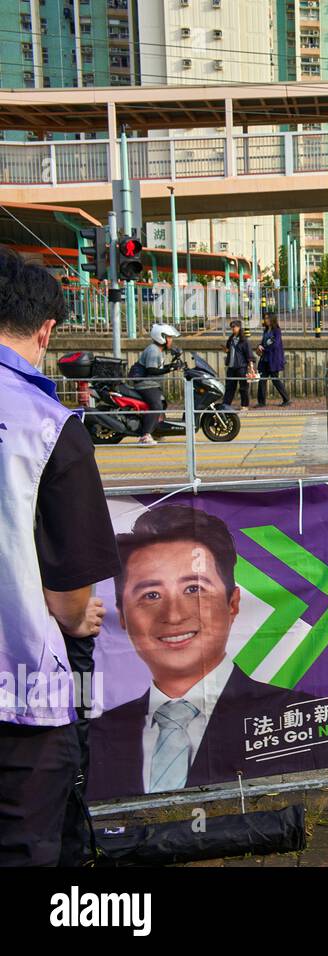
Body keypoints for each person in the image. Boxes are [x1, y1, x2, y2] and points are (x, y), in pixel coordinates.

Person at [87, 506, 328, 800]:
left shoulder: (301, 719)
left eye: (194, 589)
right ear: (122, 616)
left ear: (233, 603)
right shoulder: (96, 736)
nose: (174, 615)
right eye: (151, 595)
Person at [0, 246, 120, 866]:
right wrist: (74, 616)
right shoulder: (49, 426)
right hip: (20, 694)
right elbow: (72, 594)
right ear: (46, 331)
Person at [128, 322, 180, 446]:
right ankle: (145, 436)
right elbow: (151, 370)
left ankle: (156, 430)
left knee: (162, 404)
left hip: (152, 384)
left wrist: (172, 366)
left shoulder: (157, 350)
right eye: (169, 337)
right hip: (146, 385)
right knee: (156, 406)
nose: (171, 340)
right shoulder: (153, 350)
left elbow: (158, 368)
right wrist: (170, 369)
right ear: (161, 337)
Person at [255, 314, 291, 407]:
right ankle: (261, 402)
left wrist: (264, 348)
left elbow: (276, 345)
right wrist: (259, 346)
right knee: (262, 380)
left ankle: (286, 399)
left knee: (275, 380)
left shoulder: (276, 331)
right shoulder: (266, 330)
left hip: (273, 359)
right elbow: (263, 342)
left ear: (272, 319)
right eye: (265, 318)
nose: (266, 320)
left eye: (267, 318)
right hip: (264, 359)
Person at [222, 319, 254, 411]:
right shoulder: (231, 339)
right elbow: (229, 350)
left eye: (234, 327)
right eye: (231, 327)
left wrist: (251, 367)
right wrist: (226, 350)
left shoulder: (244, 340)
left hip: (241, 366)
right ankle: (225, 404)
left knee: (243, 387)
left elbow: (249, 354)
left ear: (239, 327)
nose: (233, 329)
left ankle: (245, 405)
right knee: (229, 387)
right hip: (231, 366)